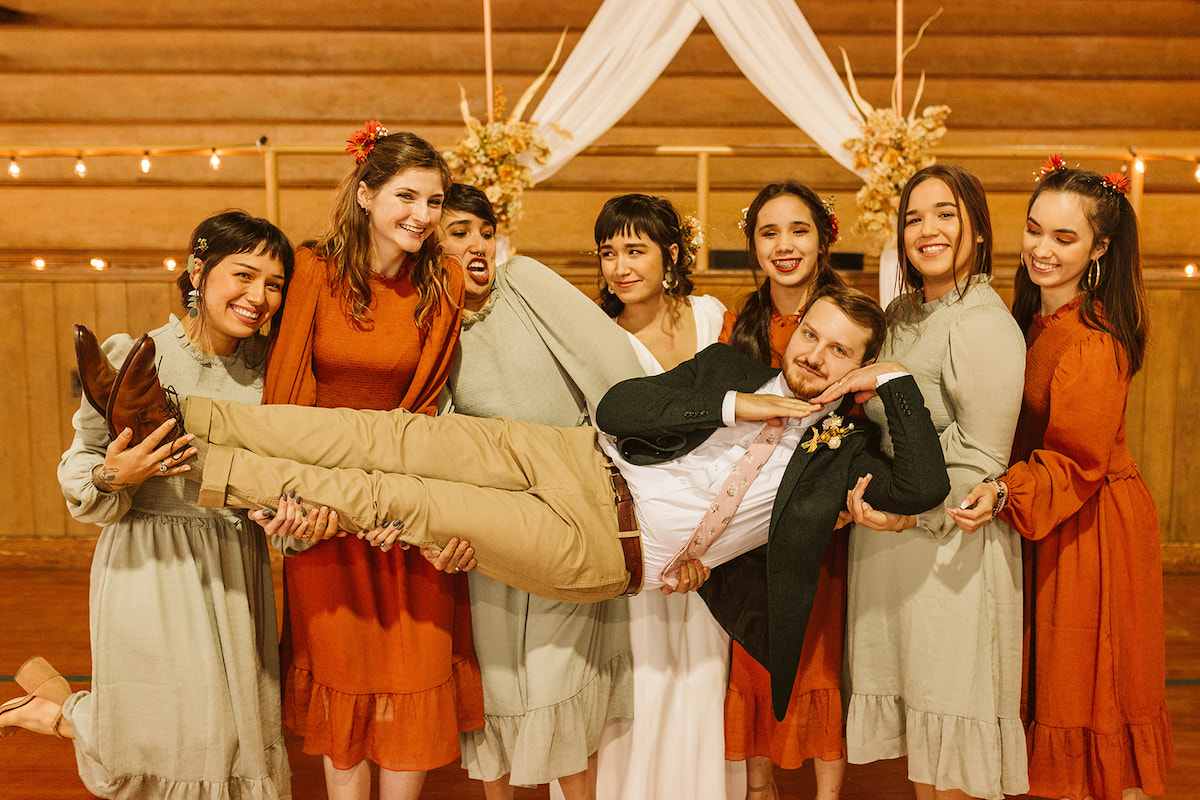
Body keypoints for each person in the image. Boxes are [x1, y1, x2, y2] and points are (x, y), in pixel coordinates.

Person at [91, 286, 950, 718]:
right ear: (791, 331)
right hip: (575, 455)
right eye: (813, 336)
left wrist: (897, 381)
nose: (816, 356)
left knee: (393, 497)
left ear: (857, 371)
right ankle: (169, 412)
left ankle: (181, 463)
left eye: (842, 353)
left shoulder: (846, 458)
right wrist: (741, 405)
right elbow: (621, 410)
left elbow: (924, 486)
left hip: (604, 547)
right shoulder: (730, 368)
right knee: (391, 437)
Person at [0, 210, 294, 799]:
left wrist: (288, 518)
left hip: (235, 560)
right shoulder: (135, 358)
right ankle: (68, 715)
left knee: (235, 731)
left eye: (274, 284)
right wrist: (118, 472)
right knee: (157, 731)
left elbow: (292, 475)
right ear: (197, 272)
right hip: (148, 558)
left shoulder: (276, 373)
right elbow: (83, 463)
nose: (258, 296)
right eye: (243, 275)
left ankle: (60, 710)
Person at [263, 123, 482, 800]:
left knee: (412, 675)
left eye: (435, 201)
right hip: (325, 511)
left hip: (402, 508)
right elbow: (285, 396)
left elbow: (429, 404)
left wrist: (405, 507)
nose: (422, 215)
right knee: (347, 678)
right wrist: (300, 500)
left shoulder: (443, 278)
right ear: (365, 193)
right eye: (406, 196)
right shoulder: (311, 270)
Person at [948, 162, 1175, 800]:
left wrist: (1001, 492)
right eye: (1034, 230)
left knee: (1088, 682)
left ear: (1100, 248)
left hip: (1091, 524)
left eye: (1065, 238)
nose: (1042, 249)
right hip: (1051, 515)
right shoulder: (1034, 320)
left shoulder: (1094, 339)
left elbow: (1077, 460)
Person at [828, 163, 1029, 800]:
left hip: (950, 556)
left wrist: (911, 517)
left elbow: (980, 457)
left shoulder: (982, 321)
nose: (928, 229)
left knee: (957, 765)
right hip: (892, 554)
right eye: (914, 217)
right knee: (925, 762)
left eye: (945, 213)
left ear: (978, 226)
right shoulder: (902, 312)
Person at [434, 183, 641, 799]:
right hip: (491, 513)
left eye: (484, 230)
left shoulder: (523, 280)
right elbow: (434, 422)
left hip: (571, 503)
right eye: (458, 232)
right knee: (497, 680)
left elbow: (611, 364)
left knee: (560, 676)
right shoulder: (428, 320)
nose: (477, 245)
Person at [591, 192, 739, 800]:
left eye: (635, 249)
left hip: (712, 529)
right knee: (643, 670)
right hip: (638, 530)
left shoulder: (710, 315)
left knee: (703, 668)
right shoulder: (599, 336)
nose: (620, 266)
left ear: (670, 254)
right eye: (608, 252)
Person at [717, 181, 848, 800]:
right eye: (769, 232)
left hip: (820, 513)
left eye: (798, 230)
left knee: (816, 653)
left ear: (823, 238)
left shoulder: (848, 314)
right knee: (753, 647)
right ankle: (758, 787)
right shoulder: (737, 323)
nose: (785, 245)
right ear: (753, 246)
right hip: (749, 517)